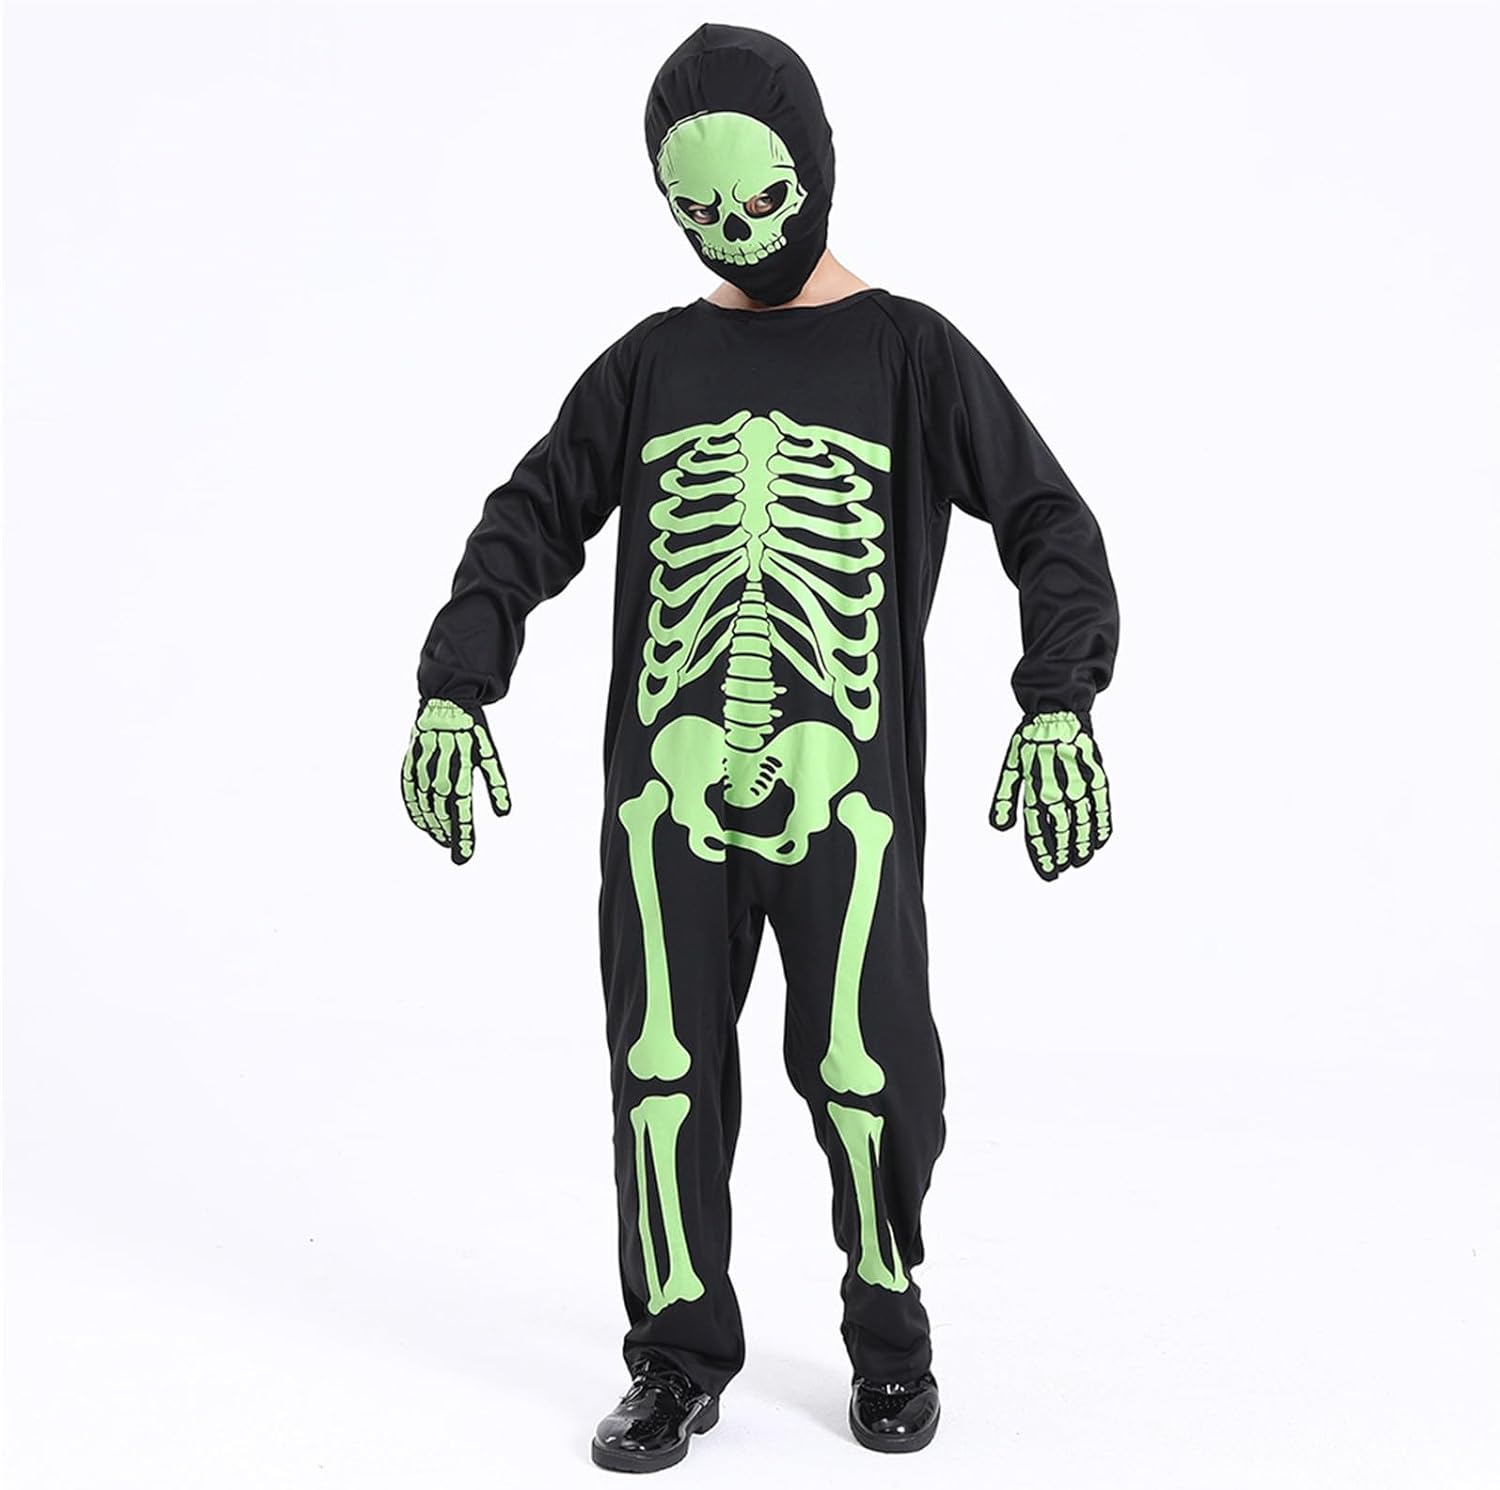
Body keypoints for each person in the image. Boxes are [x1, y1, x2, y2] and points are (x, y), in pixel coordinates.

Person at [401, 21, 1119, 1473]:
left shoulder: (912, 353)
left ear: (817, 166)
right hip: (663, 794)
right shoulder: (650, 366)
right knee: (659, 1071)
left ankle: (890, 1337)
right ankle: (675, 1357)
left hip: (846, 797)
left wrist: (1058, 693)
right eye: (698, 208)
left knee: (874, 1070)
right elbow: (531, 514)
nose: (732, 231)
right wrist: (456, 680)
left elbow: (1049, 520)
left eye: (758, 198)